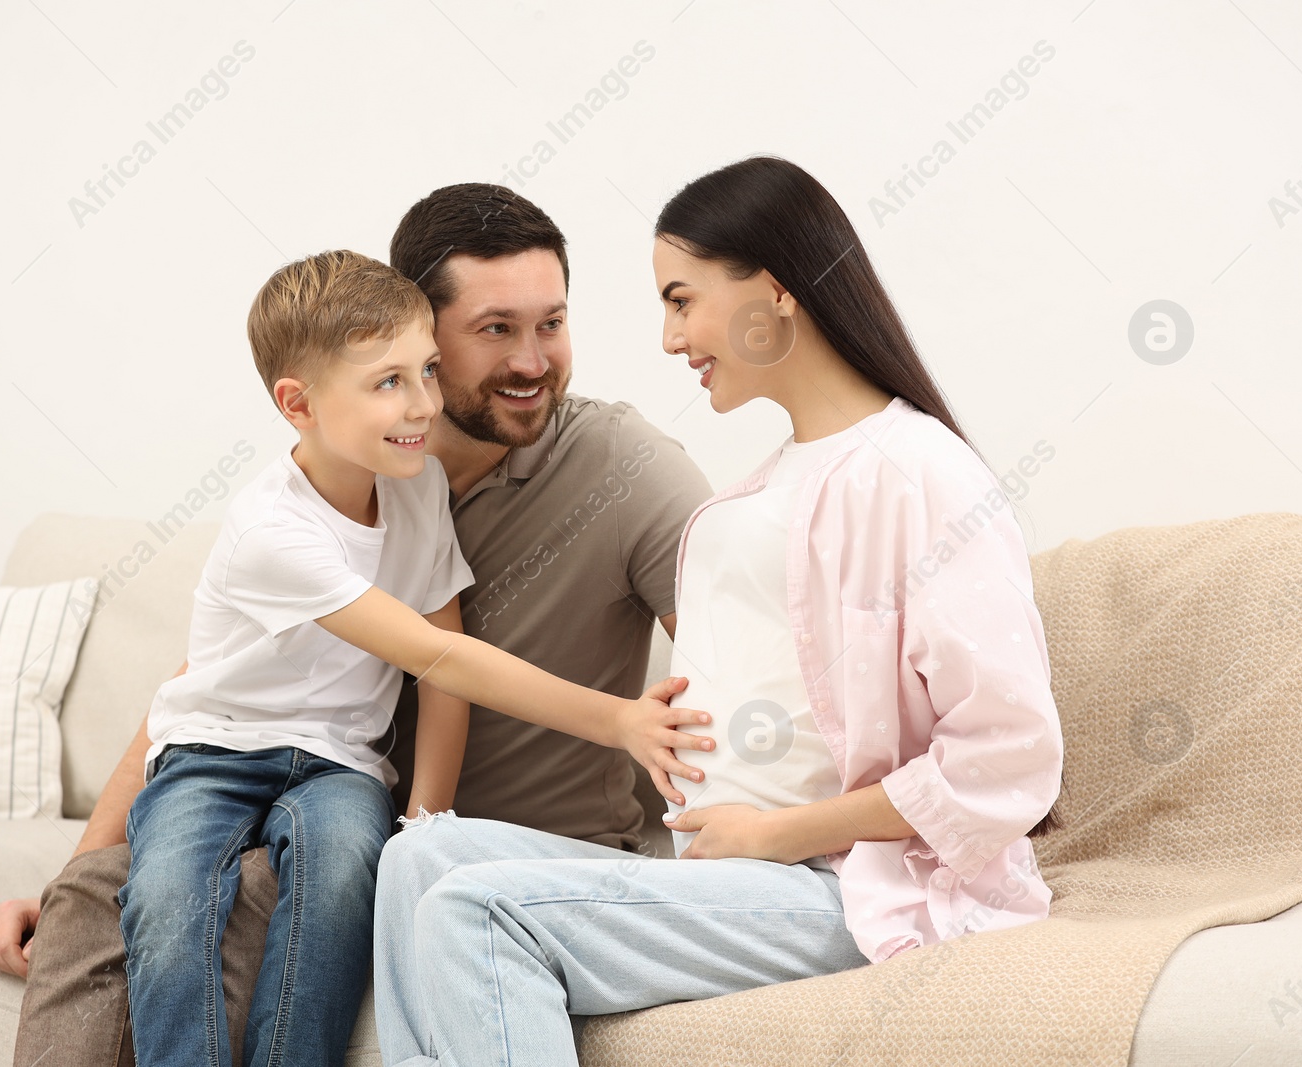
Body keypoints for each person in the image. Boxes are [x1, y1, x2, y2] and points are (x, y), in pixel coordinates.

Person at [0, 187, 717, 1067]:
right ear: (417, 329)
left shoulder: (621, 469)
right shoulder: (364, 477)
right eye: (493, 330)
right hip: (283, 797)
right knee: (100, 899)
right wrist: (69, 875)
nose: (532, 360)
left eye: (551, 323)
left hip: (455, 841)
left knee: (277, 885)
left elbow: (733, 679)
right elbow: (206, 684)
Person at [371, 155, 1067, 1066]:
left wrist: (775, 833)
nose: (668, 337)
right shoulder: (769, 484)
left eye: (681, 298)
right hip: (731, 868)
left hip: (843, 881)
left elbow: (1010, 759)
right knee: (418, 857)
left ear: (772, 294)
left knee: (478, 907)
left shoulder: (917, 472)